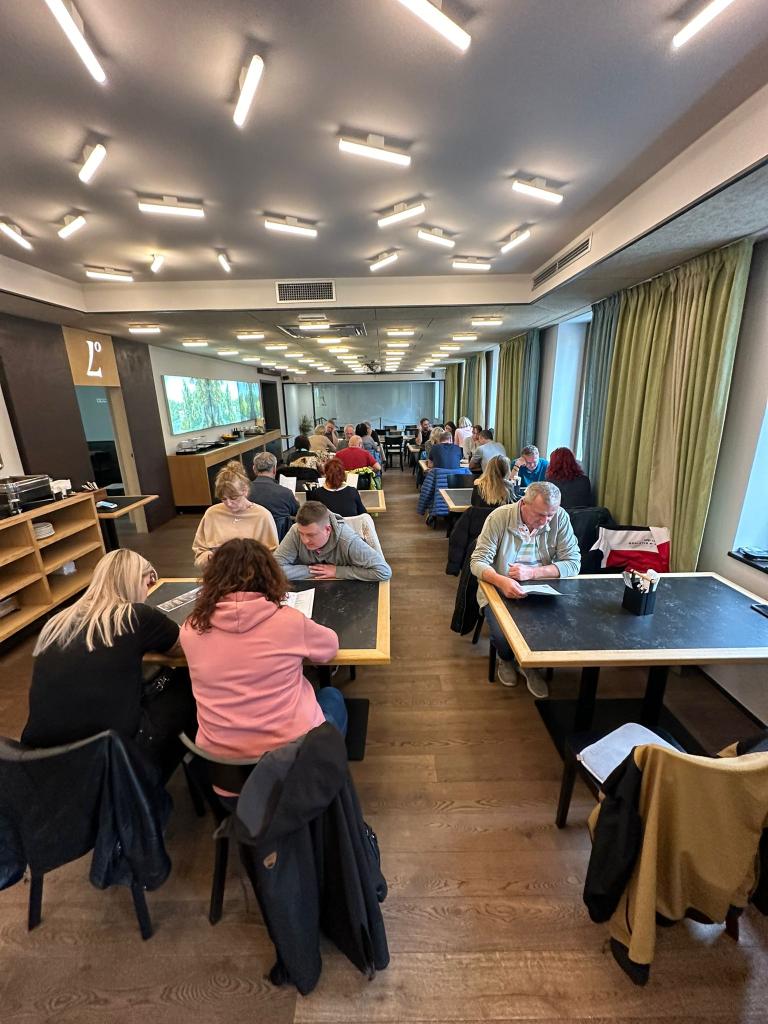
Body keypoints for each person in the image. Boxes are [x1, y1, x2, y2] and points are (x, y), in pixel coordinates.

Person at [21, 549, 196, 780]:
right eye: (149, 580)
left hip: (42, 754)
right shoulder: (136, 616)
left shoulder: (57, 622)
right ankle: (194, 770)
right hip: (110, 752)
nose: (149, 588)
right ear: (136, 580)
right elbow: (188, 648)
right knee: (187, 682)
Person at [180, 539, 347, 770]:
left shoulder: (191, 628)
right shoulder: (290, 622)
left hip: (224, 771)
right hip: (294, 766)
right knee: (332, 696)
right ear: (270, 576)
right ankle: (330, 776)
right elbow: (330, 648)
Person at [470, 481, 580, 698]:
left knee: (557, 628)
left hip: (542, 588)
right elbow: (478, 562)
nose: (545, 521)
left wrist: (533, 573)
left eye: (550, 515)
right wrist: (501, 581)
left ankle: (530, 665)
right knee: (503, 636)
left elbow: (573, 563)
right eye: (540, 515)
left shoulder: (560, 518)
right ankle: (506, 658)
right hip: (500, 588)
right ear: (524, 504)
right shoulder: (499, 518)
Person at [275, 501, 392, 581]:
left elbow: (383, 571)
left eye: (311, 535)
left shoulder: (348, 541)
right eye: (301, 533)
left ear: (328, 530)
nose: (304, 540)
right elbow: (272, 570)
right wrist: (316, 571)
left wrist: (338, 571)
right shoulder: (295, 530)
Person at [193, 461, 278, 569]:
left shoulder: (262, 516)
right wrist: (208, 557)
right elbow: (199, 551)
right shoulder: (212, 513)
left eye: (234, 498)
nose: (228, 503)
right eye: (223, 499)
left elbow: (272, 556)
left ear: (245, 491)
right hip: (219, 572)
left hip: (251, 573)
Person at [249, 451, 300, 540]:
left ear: (254, 469)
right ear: (274, 469)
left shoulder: (244, 492)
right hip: (281, 540)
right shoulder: (286, 493)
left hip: (253, 540)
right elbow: (297, 513)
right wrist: (297, 502)